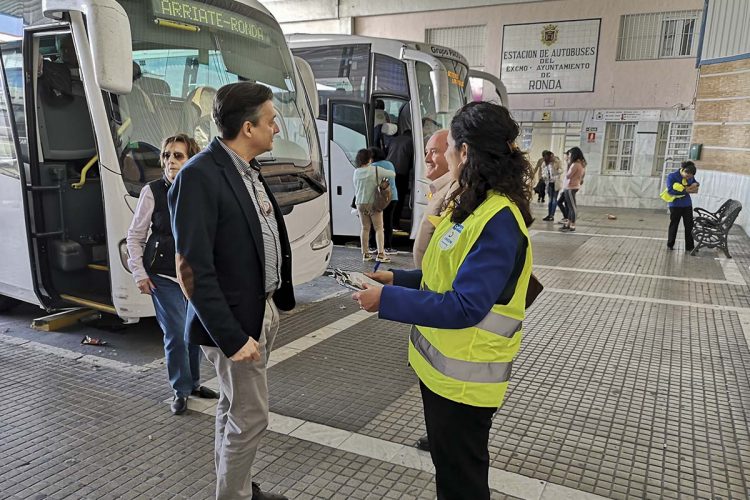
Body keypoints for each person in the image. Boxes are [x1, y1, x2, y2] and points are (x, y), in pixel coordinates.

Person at [353, 101, 534, 499]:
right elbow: (444, 276)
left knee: (461, 483)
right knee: (450, 473)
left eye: (449, 145)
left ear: (465, 151)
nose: (444, 154)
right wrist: (396, 278)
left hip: (466, 385)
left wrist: (387, 300)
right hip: (443, 378)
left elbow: (465, 305)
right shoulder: (472, 204)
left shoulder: (498, 218)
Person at [168, 82, 294, 500]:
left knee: (233, 407)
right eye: (271, 120)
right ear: (247, 127)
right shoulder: (199, 176)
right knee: (252, 416)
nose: (276, 127)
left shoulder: (247, 168)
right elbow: (192, 270)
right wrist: (231, 337)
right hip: (234, 323)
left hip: (261, 309)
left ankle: (236, 486)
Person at [126, 134, 217, 415]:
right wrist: (139, 272)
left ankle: (193, 384)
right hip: (163, 276)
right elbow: (135, 235)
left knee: (193, 332)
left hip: (195, 275)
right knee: (177, 333)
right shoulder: (152, 191)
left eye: (178, 155)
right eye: (167, 155)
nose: (170, 161)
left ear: (191, 159)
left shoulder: (200, 190)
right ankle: (180, 389)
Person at [413, 129, 454, 268]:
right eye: (426, 152)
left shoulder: (455, 191)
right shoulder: (441, 189)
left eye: (434, 151)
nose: (426, 159)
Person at [353, 148, 395, 263]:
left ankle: (365, 254)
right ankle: (381, 254)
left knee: (365, 228)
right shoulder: (375, 169)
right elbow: (392, 174)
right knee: (379, 229)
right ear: (370, 158)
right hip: (373, 204)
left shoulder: (356, 171)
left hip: (360, 203)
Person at [662, 160, 699, 251]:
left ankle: (690, 247)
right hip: (675, 204)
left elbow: (696, 183)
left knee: (689, 225)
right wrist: (685, 190)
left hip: (687, 204)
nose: (688, 177)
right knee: (674, 224)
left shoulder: (690, 177)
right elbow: (670, 191)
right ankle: (670, 244)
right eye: (687, 175)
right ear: (683, 170)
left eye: (690, 176)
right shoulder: (672, 176)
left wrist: (696, 184)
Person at [368, 147, 399, 255]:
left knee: (374, 223)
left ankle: (372, 246)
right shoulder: (390, 164)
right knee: (388, 222)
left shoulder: (372, 167)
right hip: (392, 197)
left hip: (378, 199)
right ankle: (387, 247)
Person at [386, 129, 414, 231]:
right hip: (401, 173)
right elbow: (412, 159)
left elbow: (386, 153)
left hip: (388, 171)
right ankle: (395, 224)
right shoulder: (411, 141)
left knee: (389, 199)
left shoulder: (393, 139)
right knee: (399, 200)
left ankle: (387, 223)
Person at [559, 147, 586, 232]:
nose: (569, 156)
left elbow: (568, 175)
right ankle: (569, 223)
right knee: (571, 207)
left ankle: (572, 224)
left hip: (571, 187)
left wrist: (568, 165)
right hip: (571, 186)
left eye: (570, 154)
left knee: (572, 207)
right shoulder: (580, 164)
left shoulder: (575, 164)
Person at [541, 151, 563, 221]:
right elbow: (543, 172)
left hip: (556, 182)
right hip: (549, 183)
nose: (552, 156)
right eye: (551, 156)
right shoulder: (545, 163)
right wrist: (544, 176)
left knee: (554, 199)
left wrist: (557, 170)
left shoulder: (557, 161)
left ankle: (552, 215)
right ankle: (549, 215)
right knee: (550, 199)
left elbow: (561, 170)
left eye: (552, 155)